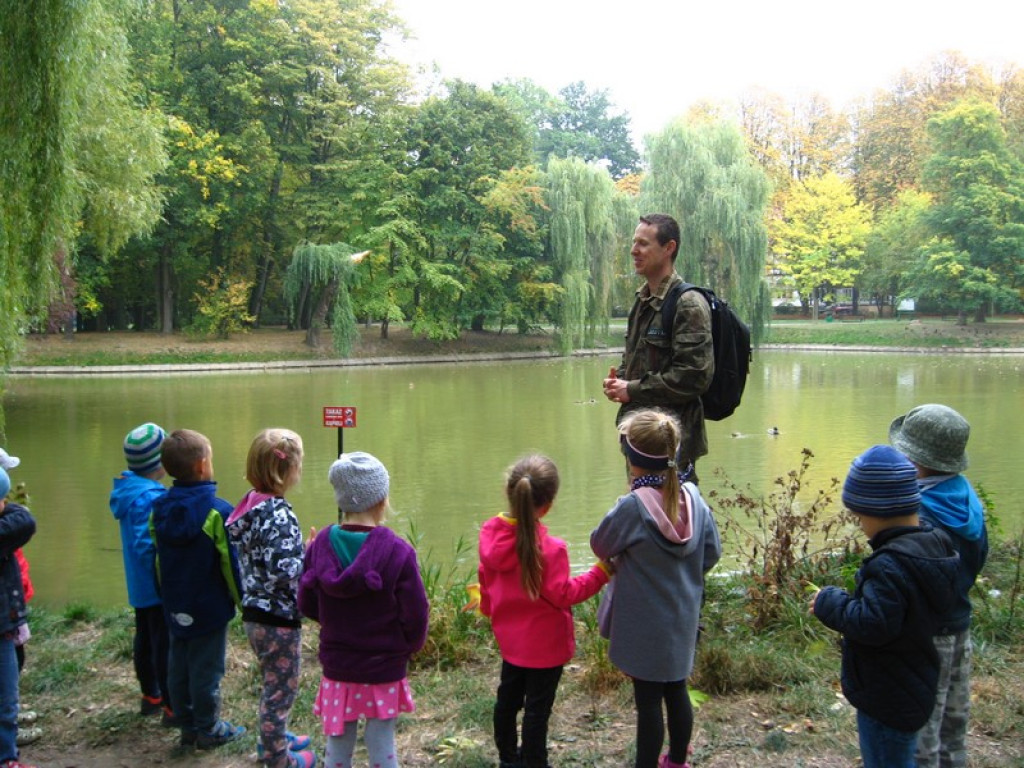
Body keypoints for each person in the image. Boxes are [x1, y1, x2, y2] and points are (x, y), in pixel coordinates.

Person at [810, 445, 959, 768]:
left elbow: (872, 623)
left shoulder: (890, 565)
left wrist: (829, 603)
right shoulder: (934, 546)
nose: (860, 525)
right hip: (916, 681)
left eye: (859, 516)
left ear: (875, 511)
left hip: (887, 696)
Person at [591, 410, 721, 768]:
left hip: (643, 626)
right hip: (682, 619)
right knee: (676, 689)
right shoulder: (694, 499)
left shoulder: (632, 507)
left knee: (648, 700)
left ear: (630, 459)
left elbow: (601, 544)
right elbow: (712, 552)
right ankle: (677, 761)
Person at [478, 454, 611, 768]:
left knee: (507, 702)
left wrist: (488, 609)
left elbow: (485, 581)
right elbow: (565, 594)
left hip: (510, 642)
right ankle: (535, 761)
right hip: (546, 647)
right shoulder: (551, 550)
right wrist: (601, 572)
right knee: (537, 710)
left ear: (509, 493)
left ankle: (509, 760)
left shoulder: (489, 536)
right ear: (548, 504)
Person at [299, 452, 428, 768]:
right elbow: (416, 612)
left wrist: (331, 620)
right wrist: (409, 646)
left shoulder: (320, 545)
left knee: (338, 741)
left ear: (342, 501)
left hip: (338, 664)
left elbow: (306, 602)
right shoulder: (399, 551)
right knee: (382, 741)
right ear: (382, 499)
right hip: (383, 665)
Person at [889, 404, 988, 768]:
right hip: (959, 624)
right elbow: (979, 557)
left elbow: (907, 580)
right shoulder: (966, 500)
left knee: (922, 728)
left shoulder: (919, 513)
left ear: (913, 458)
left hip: (924, 635)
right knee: (953, 723)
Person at [149, 429, 245, 750]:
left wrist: (165, 594)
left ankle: (186, 725)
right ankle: (209, 728)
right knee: (207, 670)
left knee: (179, 666)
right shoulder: (218, 511)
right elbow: (229, 565)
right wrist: (241, 600)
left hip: (175, 603)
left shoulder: (159, 508)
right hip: (209, 607)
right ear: (203, 465)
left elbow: (158, 558)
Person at [602, 214, 713, 481]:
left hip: (672, 446)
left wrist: (633, 389)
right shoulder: (642, 301)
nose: (633, 250)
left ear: (669, 248)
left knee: (675, 520)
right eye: (633, 242)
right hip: (638, 441)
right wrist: (620, 384)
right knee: (642, 516)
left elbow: (693, 377)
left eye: (643, 243)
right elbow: (636, 360)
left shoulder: (688, 304)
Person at [227, 429, 315, 768]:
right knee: (280, 691)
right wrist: (308, 552)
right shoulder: (278, 512)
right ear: (287, 470)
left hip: (255, 613)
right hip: (278, 618)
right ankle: (277, 757)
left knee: (273, 683)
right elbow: (286, 571)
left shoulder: (251, 504)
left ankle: (276, 739)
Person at [109, 423, 173, 723]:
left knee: (145, 637)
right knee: (163, 644)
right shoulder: (149, 498)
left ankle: (151, 694)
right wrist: (164, 576)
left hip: (137, 583)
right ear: (159, 463)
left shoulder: (128, 489)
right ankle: (170, 704)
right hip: (154, 585)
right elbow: (146, 543)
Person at [0, 449, 40, 748]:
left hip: (11, 612)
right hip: (4, 619)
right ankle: (7, 746)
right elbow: (24, 521)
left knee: (13, 666)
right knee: (6, 681)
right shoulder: (8, 528)